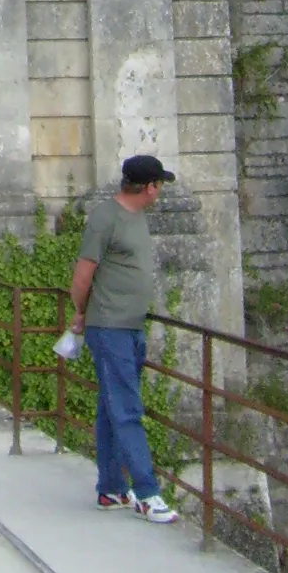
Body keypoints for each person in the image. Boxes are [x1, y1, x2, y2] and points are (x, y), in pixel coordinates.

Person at [67, 154, 180, 523]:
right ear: (149, 187)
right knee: (127, 410)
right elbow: (83, 275)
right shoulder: (106, 218)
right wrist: (83, 313)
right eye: (159, 184)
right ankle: (147, 493)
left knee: (110, 406)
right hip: (110, 326)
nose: (160, 191)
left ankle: (111, 487)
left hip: (129, 326)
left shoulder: (135, 218)